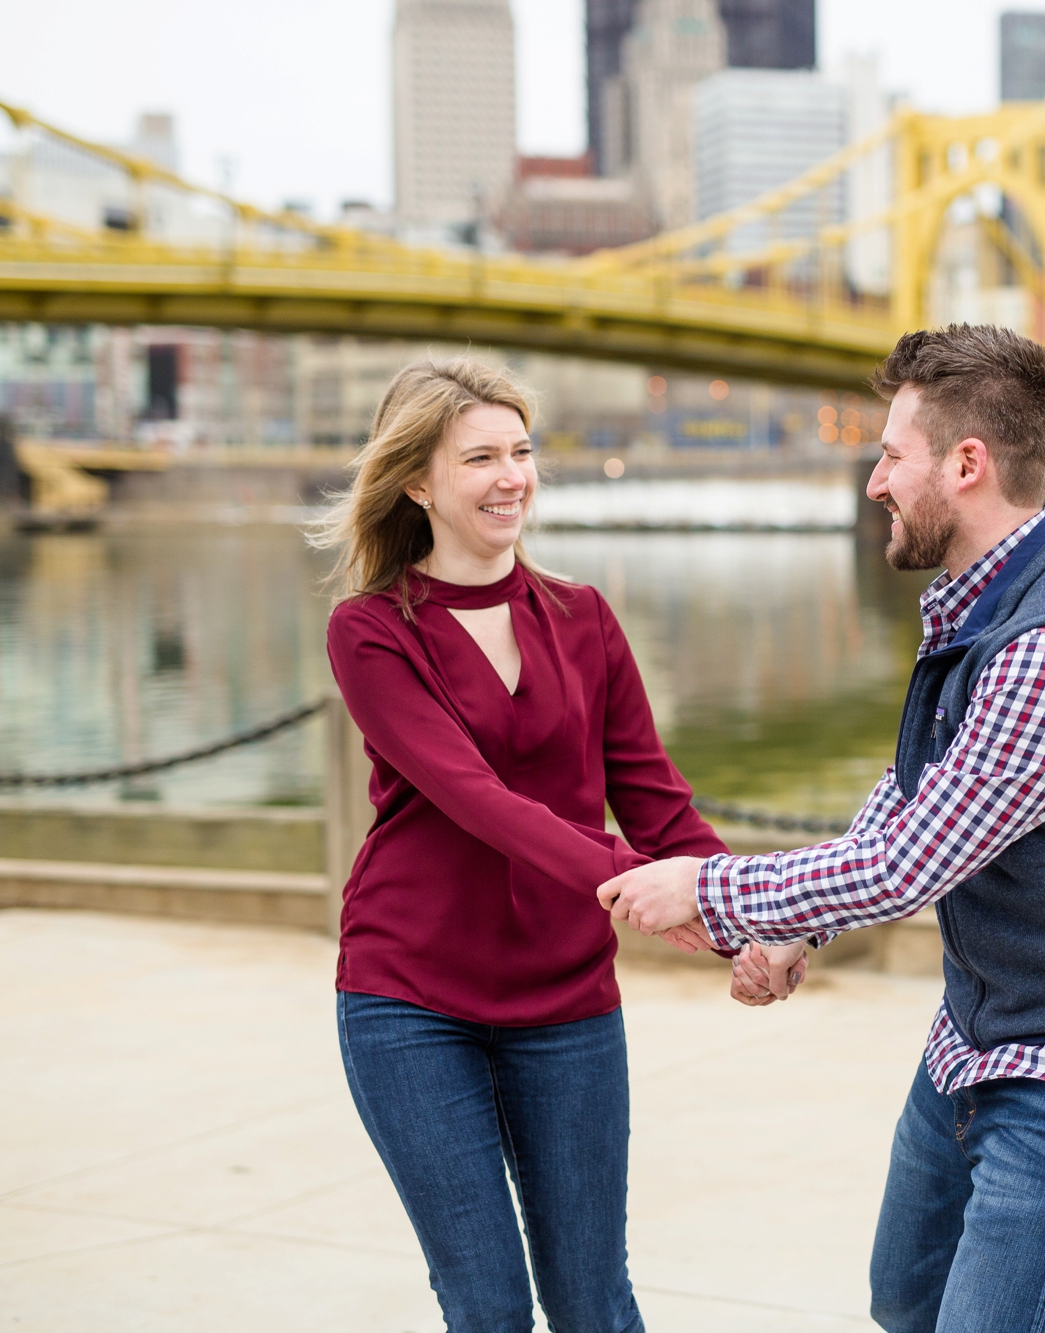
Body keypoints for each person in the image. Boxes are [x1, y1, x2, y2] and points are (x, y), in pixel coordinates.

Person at [603, 325, 1045, 1332]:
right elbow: (913, 796)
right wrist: (800, 925)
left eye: (890, 454)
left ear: (965, 464)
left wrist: (705, 890)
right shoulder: (974, 606)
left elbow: (910, 863)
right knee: (907, 1304)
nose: (873, 482)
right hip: (976, 1037)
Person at [313, 358, 741, 1333]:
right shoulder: (370, 631)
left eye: (521, 452)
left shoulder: (582, 616)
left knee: (595, 1302)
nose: (512, 476)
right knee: (490, 1307)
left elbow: (656, 800)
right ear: (417, 482)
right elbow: (475, 799)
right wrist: (643, 887)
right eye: (480, 458)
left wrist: (746, 914)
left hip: (566, 998)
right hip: (410, 995)